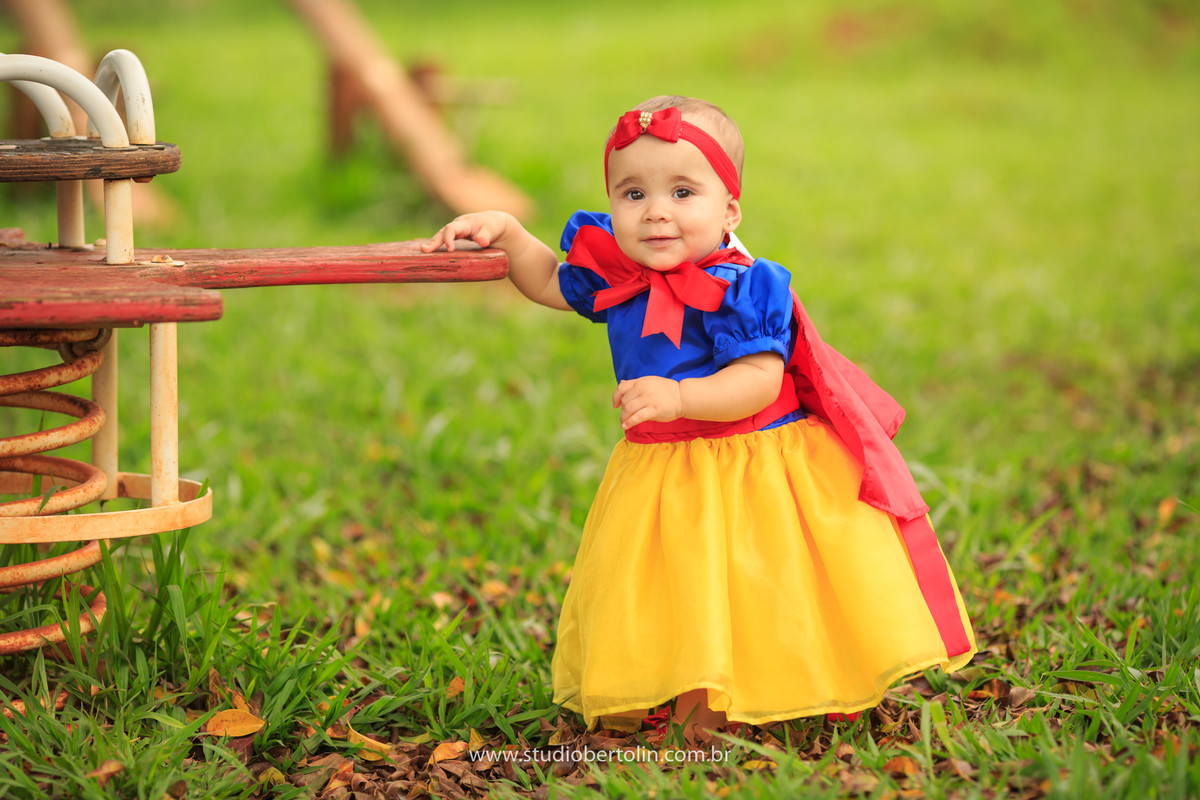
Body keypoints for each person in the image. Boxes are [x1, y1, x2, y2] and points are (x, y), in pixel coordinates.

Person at [422, 95, 976, 740]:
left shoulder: (742, 287)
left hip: (747, 464)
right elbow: (550, 282)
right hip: (664, 467)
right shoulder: (620, 271)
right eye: (633, 194)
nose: (656, 211)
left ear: (729, 210)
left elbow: (757, 381)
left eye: (683, 192)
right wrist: (511, 233)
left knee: (750, 585)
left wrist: (681, 398)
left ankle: (725, 714)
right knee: (675, 585)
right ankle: (676, 689)